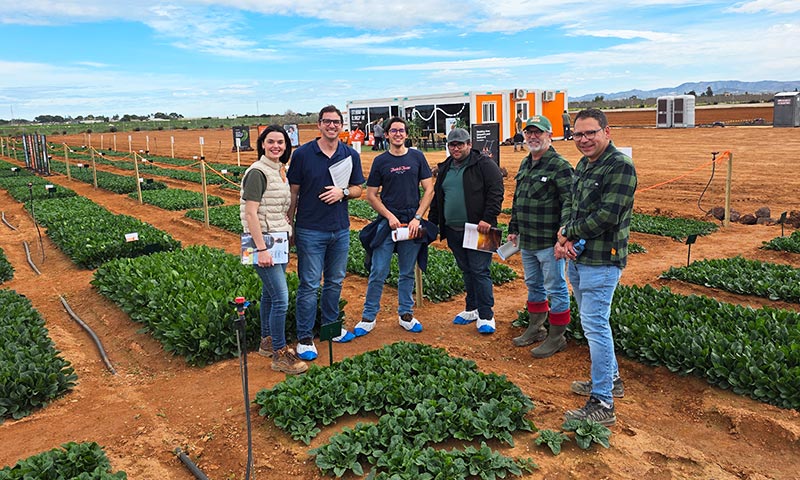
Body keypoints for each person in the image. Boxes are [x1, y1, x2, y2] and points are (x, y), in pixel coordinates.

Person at [556, 108, 637, 426]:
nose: (584, 139)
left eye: (591, 132)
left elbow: (607, 216)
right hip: (578, 258)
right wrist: (565, 236)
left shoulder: (620, 167)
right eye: (578, 134)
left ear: (607, 131)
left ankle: (603, 403)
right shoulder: (583, 165)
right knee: (593, 324)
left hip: (603, 261)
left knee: (595, 327)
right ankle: (611, 381)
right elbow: (572, 205)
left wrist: (568, 234)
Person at [287, 105, 365, 361]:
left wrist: (342, 192)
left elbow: (358, 189)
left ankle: (330, 328)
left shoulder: (350, 154)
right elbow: (294, 192)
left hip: (340, 230)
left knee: (335, 281)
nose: (332, 126)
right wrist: (290, 224)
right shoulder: (303, 154)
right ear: (319, 124)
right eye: (327, 122)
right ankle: (306, 337)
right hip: (310, 229)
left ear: (341, 126)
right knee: (309, 284)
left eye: (336, 122)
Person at [355, 117, 435, 335]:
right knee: (378, 270)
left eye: (401, 130)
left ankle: (406, 314)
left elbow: (429, 190)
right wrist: (389, 217)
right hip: (388, 224)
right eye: (393, 131)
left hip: (411, 223)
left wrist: (418, 217)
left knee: (407, 271)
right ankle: (368, 316)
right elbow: (371, 195)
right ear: (387, 135)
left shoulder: (417, 157)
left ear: (406, 134)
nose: (398, 134)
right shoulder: (381, 161)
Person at [241, 125, 308, 374]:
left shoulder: (280, 170)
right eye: (271, 142)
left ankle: (267, 341)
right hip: (264, 243)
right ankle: (279, 354)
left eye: (280, 142)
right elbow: (250, 212)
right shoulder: (258, 172)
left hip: (277, 239)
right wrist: (261, 249)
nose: (276, 146)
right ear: (262, 144)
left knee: (269, 294)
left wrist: (285, 222)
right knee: (281, 297)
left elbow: (276, 206)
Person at [507, 115, 574, 358]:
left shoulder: (560, 166)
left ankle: (557, 337)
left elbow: (570, 204)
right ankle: (536, 328)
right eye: (529, 132)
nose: (533, 136)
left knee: (555, 288)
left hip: (548, 242)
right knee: (533, 285)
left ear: (550, 134)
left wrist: (564, 236)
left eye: (539, 132)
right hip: (528, 241)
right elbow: (518, 199)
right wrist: (513, 227)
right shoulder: (526, 163)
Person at [428, 127, 504, 334]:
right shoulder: (445, 167)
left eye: (460, 144)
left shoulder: (484, 164)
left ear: (469, 144)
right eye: (452, 145)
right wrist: (432, 224)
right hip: (453, 229)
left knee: (480, 271)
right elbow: (438, 197)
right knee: (467, 270)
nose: (456, 148)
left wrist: (488, 218)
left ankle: (487, 315)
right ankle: (472, 308)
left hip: (480, 229)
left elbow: (496, 192)